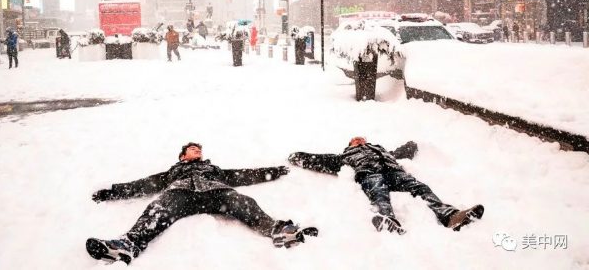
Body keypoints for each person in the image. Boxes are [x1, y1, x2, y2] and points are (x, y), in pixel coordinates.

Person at [86, 142, 318, 264]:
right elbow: (145, 184)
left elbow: (242, 175)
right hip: (182, 195)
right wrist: (113, 192)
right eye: (192, 149)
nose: (197, 151)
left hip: (216, 194)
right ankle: (127, 245)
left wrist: (272, 171)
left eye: (199, 149)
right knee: (159, 207)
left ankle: (278, 231)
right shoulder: (172, 172)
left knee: (243, 201)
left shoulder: (213, 170)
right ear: (182, 156)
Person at [288, 137, 484, 235]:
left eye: (362, 139)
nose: (360, 140)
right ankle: (387, 219)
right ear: (350, 146)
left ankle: (450, 216)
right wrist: (297, 157)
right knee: (378, 190)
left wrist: (411, 145)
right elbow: (319, 160)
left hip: (395, 173)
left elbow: (402, 151)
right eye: (355, 140)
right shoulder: (345, 157)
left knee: (419, 187)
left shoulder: (383, 151)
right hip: (369, 174)